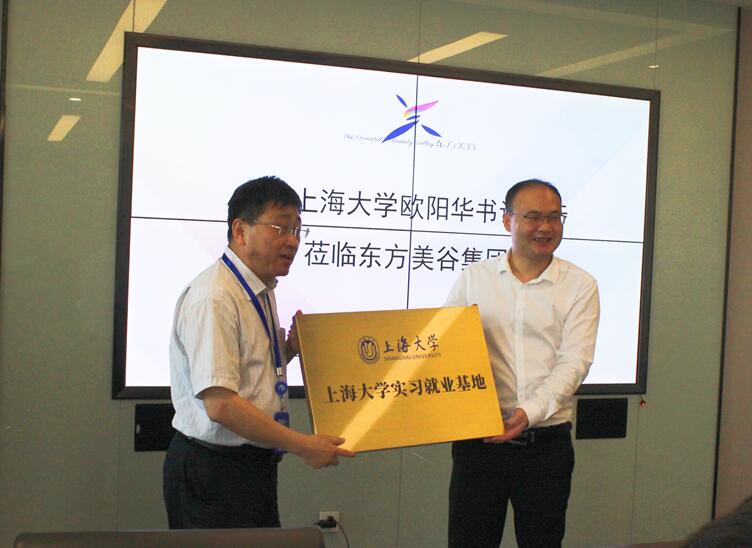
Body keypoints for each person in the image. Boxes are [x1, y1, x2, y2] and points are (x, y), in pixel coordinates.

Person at [163, 175, 355, 529]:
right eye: (280, 227)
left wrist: (289, 350)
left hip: (251, 468)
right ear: (240, 231)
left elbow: (249, 369)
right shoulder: (215, 297)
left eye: (297, 229)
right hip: (214, 472)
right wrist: (303, 445)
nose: (292, 241)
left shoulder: (260, 287)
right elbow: (221, 404)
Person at [444, 178, 600, 548]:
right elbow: (444, 348)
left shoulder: (580, 285)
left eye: (554, 217)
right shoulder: (474, 279)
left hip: (545, 446)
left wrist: (526, 414)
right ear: (507, 221)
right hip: (479, 446)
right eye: (533, 217)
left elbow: (575, 362)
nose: (545, 227)